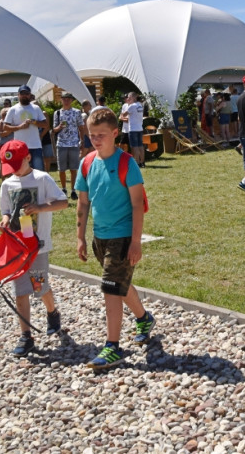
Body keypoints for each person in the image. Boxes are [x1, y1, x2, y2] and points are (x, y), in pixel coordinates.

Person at [75, 107, 156, 371]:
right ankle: (144, 319)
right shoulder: (86, 163)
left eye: (101, 135)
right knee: (119, 283)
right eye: (91, 135)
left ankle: (112, 347)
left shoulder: (126, 163)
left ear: (114, 133)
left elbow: (136, 205)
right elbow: (83, 203)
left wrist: (135, 242)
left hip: (122, 237)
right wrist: (80, 238)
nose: (96, 140)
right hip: (100, 236)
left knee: (110, 288)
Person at [0, 140, 69, 357]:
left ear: (28, 157)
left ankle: (52, 312)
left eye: (17, 164)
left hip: (38, 246)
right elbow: (6, 210)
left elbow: (63, 202)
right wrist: (5, 220)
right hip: (18, 246)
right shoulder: (7, 184)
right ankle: (26, 336)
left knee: (38, 286)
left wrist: (39, 207)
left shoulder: (42, 179)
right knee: (20, 290)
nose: (14, 171)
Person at [2, 85, 49, 170]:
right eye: (22, 93)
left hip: (35, 145)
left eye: (26, 93)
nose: (24, 95)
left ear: (30, 95)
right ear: (18, 95)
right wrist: (19, 127)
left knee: (38, 172)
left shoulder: (36, 108)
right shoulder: (13, 109)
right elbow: (5, 127)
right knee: (21, 171)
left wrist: (34, 122)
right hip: (19, 147)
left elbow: (46, 124)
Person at [52, 92, 86, 200]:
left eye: (68, 99)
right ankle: (63, 188)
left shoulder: (77, 112)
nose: (66, 100)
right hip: (61, 143)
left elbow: (81, 127)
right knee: (61, 169)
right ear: (61, 100)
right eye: (64, 99)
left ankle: (73, 190)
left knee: (73, 168)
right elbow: (54, 129)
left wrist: (82, 141)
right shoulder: (57, 113)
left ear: (71, 100)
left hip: (74, 143)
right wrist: (59, 127)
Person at [119, 92, 146, 168]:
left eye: (129, 97)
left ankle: (137, 163)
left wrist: (121, 115)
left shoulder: (131, 106)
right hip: (140, 128)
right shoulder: (140, 105)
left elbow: (123, 115)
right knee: (140, 146)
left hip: (133, 129)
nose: (128, 99)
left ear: (134, 98)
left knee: (135, 147)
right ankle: (142, 162)